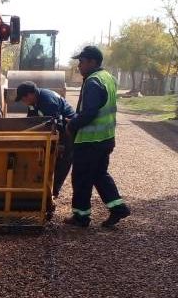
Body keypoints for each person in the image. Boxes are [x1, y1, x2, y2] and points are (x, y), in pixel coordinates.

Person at [65, 46, 130, 228]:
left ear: (93, 62)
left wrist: (72, 124)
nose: (79, 65)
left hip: (89, 141)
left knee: (81, 178)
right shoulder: (108, 78)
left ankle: (81, 216)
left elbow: (90, 112)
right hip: (106, 139)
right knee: (99, 175)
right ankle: (118, 208)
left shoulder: (93, 81)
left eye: (82, 61)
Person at [15, 81, 75, 198]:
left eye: (23, 98)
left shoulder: (47, 101)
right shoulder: (34, 101)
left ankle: (53, 192)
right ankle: (41, 186)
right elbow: (31, 120)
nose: (23, 101)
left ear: (30, 94)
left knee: (61, 160)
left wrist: (60, 144)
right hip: (56, 128)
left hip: (67, 130)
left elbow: (56, 124)